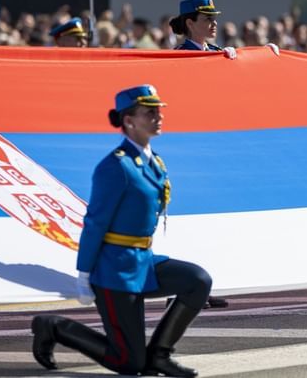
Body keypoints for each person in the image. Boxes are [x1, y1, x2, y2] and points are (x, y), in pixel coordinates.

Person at [30, 85, 211, 377]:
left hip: (143, 260)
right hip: (114, 271)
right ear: (129, 120)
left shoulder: (154, 161)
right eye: (149, 113)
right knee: (128, 363)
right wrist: (84, 273)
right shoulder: (116, 166)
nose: (158, 117)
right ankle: (54, 327)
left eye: (158, 111)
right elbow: (95, 223)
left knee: (197, 280)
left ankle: (160, 356)